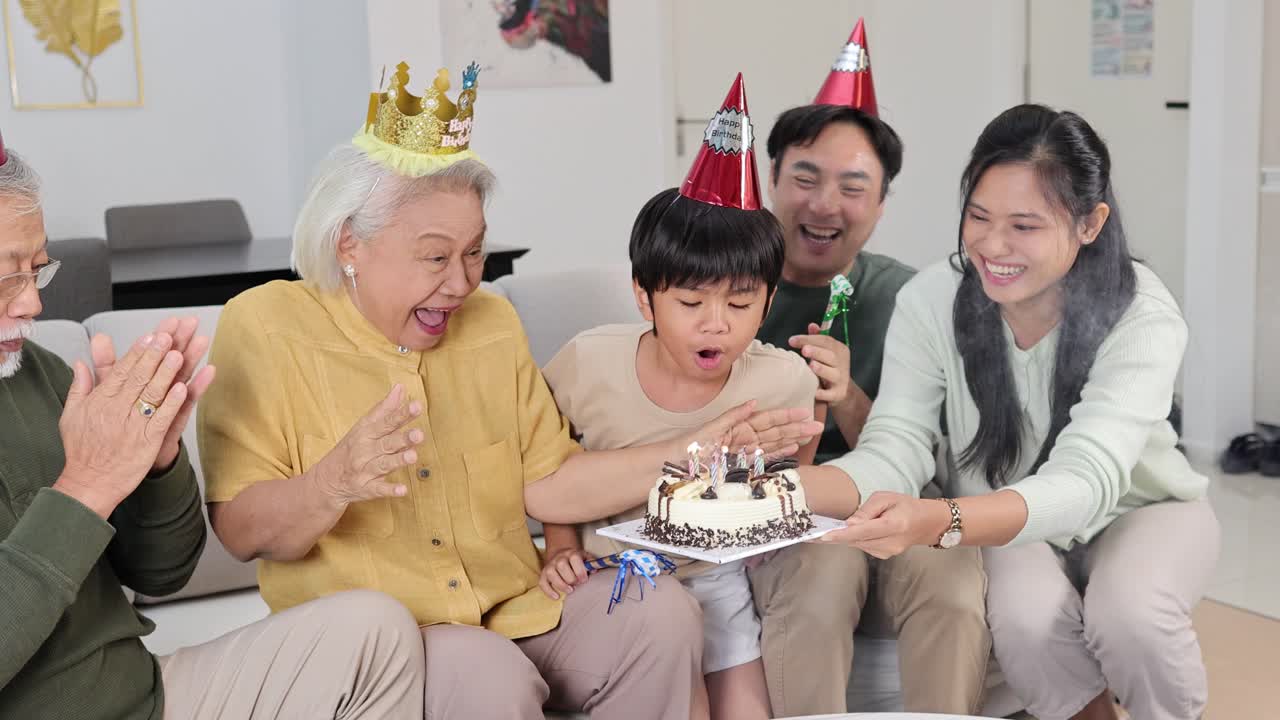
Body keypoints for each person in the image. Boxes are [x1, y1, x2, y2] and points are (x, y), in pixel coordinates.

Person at [199, 60, 819, 720]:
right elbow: (240, 530)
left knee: (657, 609)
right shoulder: (266, 326)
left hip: (519, 604)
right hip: (384, 637)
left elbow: (549, 482)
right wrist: (332, 484)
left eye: (476, 252)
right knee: (487, 671)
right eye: (437, 257)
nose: (463, 282)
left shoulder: (490, 323)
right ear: (350, 242)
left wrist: (697, 447)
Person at [809, 104, 1218, 720]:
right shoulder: (931, 300)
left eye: (1025, 226)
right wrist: (786, 492)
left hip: (1144, 507)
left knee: (1132, 614)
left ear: (1090, 224)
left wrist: (937, 519)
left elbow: (1086, 482)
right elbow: (895, 444)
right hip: (1005, 514)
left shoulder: (1141, 314)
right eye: (978, 217)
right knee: (1027, 621)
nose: (992, 246)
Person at [0, 139, 425, 720]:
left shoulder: (41, 376)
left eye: (36, 270)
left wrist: (157, 464)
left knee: (377, 632)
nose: (30, 303)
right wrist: (87, 487)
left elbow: (162, 572)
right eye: (5, 277)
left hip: (147, 698)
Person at [539, 74, 821, 720]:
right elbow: (545, 466)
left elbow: (796, 470)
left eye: (741, 303)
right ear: (645, 296)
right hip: (618, 579)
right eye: (690, 303)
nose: (715, 323)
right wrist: (559, 545)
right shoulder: (588, 362)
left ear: (769, 302)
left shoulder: (783, 381)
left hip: (716, 581)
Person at [748, 20, 990, 716]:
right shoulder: (726, 287)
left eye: (853, 187)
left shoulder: (916, 299)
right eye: (806, 178)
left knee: (947, 585)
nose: (825, 205)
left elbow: (933, 459)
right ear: (772, 180)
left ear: (881, 206)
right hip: (789, 512)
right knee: (819, 584)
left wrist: (850, 396)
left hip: (896, 497)